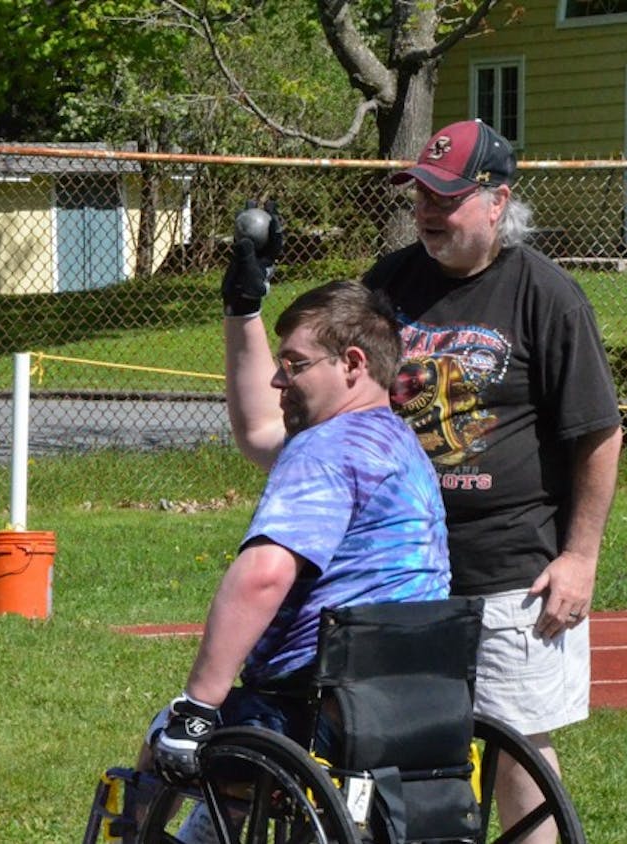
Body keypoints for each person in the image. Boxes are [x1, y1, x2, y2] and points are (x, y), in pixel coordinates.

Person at [233, 120, 623, 842]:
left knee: (516, 745)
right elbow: (318, 369)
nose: (429, 212)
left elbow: (597, 433)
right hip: (398, 569)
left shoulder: (548, 296)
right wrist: (252, 300)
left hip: (510, 567)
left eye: (447, 197)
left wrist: (580, 556)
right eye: (422, 195)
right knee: (389, 753)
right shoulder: (390, 282)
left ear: (497, 200)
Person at [145, 278, 451, 841]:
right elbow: (259, 429)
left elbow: (264, 576)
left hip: (313, 712)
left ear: (352, 363)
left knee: (166, 741)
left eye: (295, 363)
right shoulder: (401, 446)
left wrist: (196, 708)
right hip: (411, 705)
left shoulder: (325, 449)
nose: (278, 378)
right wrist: (243, 310)